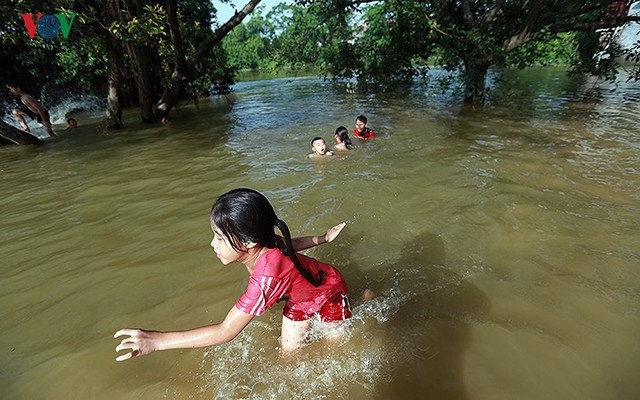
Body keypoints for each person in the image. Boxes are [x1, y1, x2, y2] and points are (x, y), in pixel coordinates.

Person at [114, 188, 352, 361]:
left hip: (328, 293)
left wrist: (156, 341)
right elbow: (290, 244)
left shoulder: (266, 279)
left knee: (335, 352)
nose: (212, 244)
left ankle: (365, 297)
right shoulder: (264, 241)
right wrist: (323, 238)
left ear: (249, 241)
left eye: (219, 237)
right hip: (298, 301)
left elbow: (225, 331)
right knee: (288, 357)